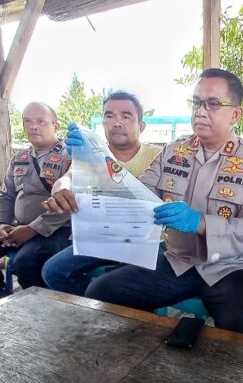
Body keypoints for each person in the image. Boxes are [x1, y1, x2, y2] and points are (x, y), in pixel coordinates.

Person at [82, 68, 243, 338]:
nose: (201, 111)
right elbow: (136, 195)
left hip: (230, 267)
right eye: (196, 102)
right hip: (177, 262)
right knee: (101, 291)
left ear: (235, 114)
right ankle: (145, 353)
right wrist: (93, 156)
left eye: (212, 104)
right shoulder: (173, 151)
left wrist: (202, 223)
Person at [40, 90, 162, 295]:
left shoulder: (158, 155)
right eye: (109, 116)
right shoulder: (90, 154)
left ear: (141, 126)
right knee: (53, 272)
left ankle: (115, 303)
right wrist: (60, 190)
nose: (117, 122)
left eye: (126, 116)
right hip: (104, 236)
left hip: (146, 240)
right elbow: (68, 178)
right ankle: (98, 306)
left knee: (129, 280)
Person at [0, 102, 72, 300]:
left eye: (40, 121)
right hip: (15, 228)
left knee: (27, 262)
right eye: (28, 121)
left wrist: (32, 229)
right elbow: (6, 194)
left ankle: (40, 305)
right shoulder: (20, 157)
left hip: (54, 231)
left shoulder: (69, 157)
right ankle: (0, 297)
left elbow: (70, 203)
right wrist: (1, 224)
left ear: (55, 126)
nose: (33, 126)